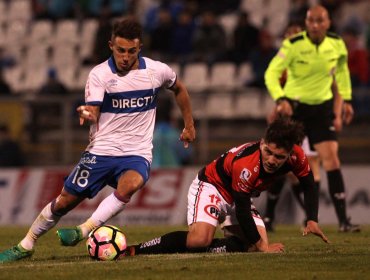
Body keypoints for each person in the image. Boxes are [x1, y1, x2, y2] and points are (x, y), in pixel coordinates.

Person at [0, 18, 196, 263]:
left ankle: (83, 230)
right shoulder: (100, 75)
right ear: (110, 46)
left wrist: (189, 125)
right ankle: (26, 244)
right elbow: (93, 110)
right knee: (64, 202)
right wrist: (87, 113)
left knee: (131, 184)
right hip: (101, 151)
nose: (125, 56)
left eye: (131, 51)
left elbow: (180, 89)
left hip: (137, 151)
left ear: (140, 48)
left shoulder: (157, 71)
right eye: (120, 50)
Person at [125, 117, 328, 256]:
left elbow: (309, 184)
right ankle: (138, 249)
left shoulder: (297, 156)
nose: (272, 160)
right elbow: (241, 209)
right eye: (269, 152)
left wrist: (312, 219)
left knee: (252, 246)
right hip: (211, 186)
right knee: (199, 241)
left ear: (290, 152)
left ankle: (220, 246)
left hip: (238, 194)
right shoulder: (247, 165)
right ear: (263, 142)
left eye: (279, 157)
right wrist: (264, 247)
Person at [264, 5, 359, 232]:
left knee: (332, 161)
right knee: (280, 160)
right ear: (307, 23)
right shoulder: (293, 45)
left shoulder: (337, 43)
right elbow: (271, 73)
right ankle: (263, 215)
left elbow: (343, 71)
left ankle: (343, 221)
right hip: (295, 110)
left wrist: (345, 100)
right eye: (312, 21)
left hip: (322, 110)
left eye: (320, 21)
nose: (316, 25)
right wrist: (280, 100)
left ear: (328, 23)